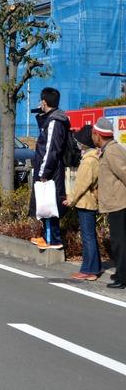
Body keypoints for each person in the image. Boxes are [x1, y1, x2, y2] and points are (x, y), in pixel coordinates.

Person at [29, 87, 70, 250]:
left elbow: (51, 149)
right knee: (46, 203)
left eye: (41, 101)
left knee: (49, 203)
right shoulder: (53, 119)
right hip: (51, 169)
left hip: (51, 171)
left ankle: (53, 239)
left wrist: (43, 173)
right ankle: (49, 237)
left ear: (44, 102)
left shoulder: (54, 122)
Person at [63, 125, 100, 281]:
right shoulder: (95, 158)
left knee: (87, 237)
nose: (77, 143)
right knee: (90, 235)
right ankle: (95, 267)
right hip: (91, 201)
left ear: (84, 142)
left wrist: (70, 199)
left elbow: (81, 185)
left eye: (78, 141)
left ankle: (88, 270)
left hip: (85, 203)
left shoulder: (88, 161)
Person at [92, 117, 126, 289]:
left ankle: (122, 278)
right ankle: (121, 274)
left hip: (119, 204)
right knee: (119, 242)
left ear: (98, 135)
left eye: (93, 134)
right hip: (116, 203)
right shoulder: (109, 150)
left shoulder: (112, 151)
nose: (92, 137)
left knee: (119, 243)